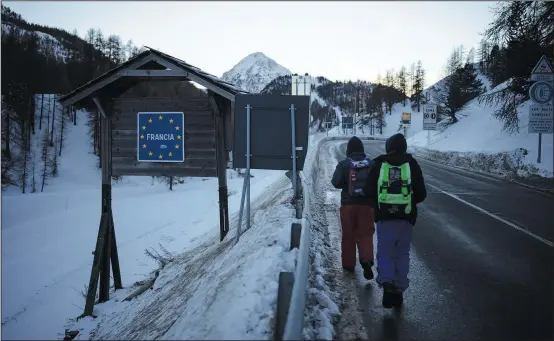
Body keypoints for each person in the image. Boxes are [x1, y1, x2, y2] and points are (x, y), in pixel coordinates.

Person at [362, 133, 427, 309]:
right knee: (402, 253)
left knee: (385, 251)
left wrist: (379, 204)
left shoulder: (379, 164)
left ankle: (387, 284)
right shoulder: (412, 164)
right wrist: (408, 202)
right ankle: (398, 291)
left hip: (384, 217)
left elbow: (368, 191)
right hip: (406, 217)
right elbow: (422, 194)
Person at [331, 136, 376, 280]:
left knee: (348, 235)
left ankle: (349, 264)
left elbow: (336, 183)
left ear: (348, 150)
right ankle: (366, 259)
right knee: (365, 234)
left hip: (348, 205)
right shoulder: (371, 164)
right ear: (362, 149)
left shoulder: (344, 164)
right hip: (367, 206)